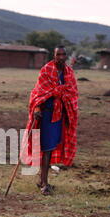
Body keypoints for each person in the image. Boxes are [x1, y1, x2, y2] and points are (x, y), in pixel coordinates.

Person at [22, 45, 79, 196]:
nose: (61, 57)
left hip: (59, 116)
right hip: (46, 115)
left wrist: (62, 96)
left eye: (63, 54)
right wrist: (37, 108)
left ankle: (42, 180)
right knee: (46, 149)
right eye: (58, 54)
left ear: (66, 56)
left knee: (51, 147)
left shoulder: (68, 73)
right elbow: (38, 93)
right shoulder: (46, 70)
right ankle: (44, 184)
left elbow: (72, 92)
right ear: (53, 56)